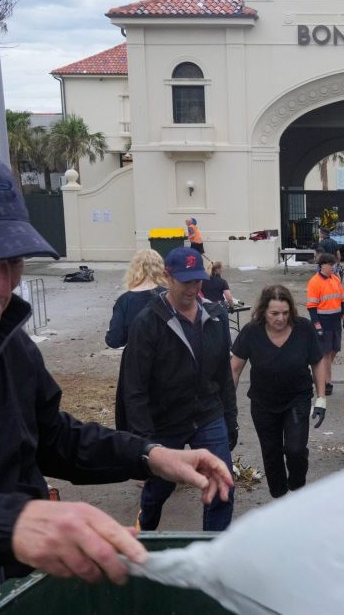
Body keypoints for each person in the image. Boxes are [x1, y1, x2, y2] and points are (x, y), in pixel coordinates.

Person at [0, 168, 233, 585]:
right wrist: (14, 521)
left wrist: (150, 455)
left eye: (13, 263)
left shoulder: (13, 346)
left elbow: (55, 439)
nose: (7, 286)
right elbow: (135, 387)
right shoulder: (147, 322)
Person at [122, 247, 238, 532]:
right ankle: (145, 527)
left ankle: (211, 552)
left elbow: (223, 374)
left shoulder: (215, 318)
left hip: (207, 413)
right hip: (165, 420)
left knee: (222, 483)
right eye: (185, 281)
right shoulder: (148, 323)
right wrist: (144, 441)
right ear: (167, 277)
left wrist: (230, 420)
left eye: (197, 280)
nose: (193, 288)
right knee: (160, 488)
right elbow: (134, 387)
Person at [232, 285, 327, 498]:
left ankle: (297, 488)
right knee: (271, 452)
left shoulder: (304, 329)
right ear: (263, 311)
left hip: (297, 398)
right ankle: (280, 496)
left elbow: (317, 362)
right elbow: (235, 369)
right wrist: (228, 407)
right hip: (263, 403)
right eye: (274, 313)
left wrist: (321, 397)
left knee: (296, 450)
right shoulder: (251, 331)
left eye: (285, 313)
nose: (280, 318)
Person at [106, 248, 168, 430]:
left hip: (135, 361)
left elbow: (114, 339)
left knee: (135, 408)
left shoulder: (126, 300)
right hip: (168, 358)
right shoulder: (169, 296)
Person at [305, 253, 344, 396]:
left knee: (334, 350)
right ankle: (327, 382)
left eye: (333, 264)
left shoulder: (335, 279)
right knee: (326, 353)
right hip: (324, 321)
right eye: (330, 264)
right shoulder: (314, 282)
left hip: (335, 321)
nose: (332, 267)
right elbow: (311, 306)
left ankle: (319, 372)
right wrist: (317, 325)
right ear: (322, 265)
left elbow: (341, 300)